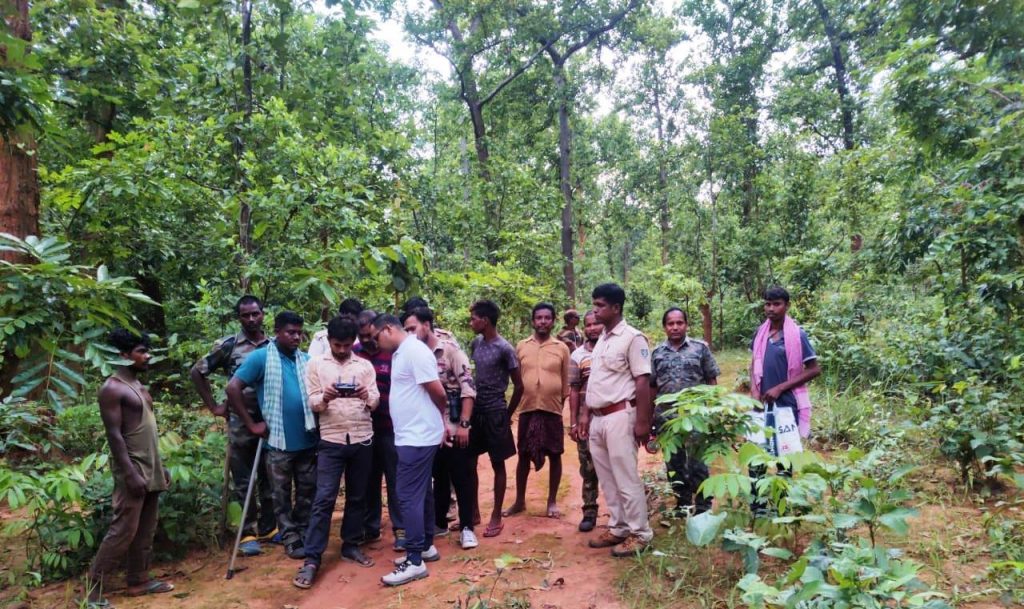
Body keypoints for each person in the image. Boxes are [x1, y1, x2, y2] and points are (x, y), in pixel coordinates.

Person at [87, 329, 173, 606]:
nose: (147, 356)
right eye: (141, 352)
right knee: (123, 529)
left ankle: (139, 580)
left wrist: (161, 467)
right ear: (124, 355)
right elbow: (114, 435)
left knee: (146, 528)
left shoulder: (140, 386)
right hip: (132, 469)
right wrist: (129, 473)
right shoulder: (112, 389)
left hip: (150, 466)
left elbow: (147, 433)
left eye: (147, 350)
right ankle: (92, 591)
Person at [294, 316, 380, 589]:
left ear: (353, 341)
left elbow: (375, 401)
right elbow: (312, 402)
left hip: (361, 437)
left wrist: (366, 394)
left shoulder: (364, 366)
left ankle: (351, 545)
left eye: (346, 345)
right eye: (336, 345)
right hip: (330, 440)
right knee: (324, 498)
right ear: (328, 340)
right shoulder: (316, 365)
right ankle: (311, 558)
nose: (342, 350)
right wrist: (327, 396)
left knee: (358, 495)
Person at [227, 311, 317, 560]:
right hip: (278, 441)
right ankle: (289, 536)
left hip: (307, 439)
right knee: (281, 494)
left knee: (307, 490)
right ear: (277, 332)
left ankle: (303, 531)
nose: (296, 337)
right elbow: (233, 388)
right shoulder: (261, 358)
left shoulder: (306, 360)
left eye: (299, 332)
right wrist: (252, 424)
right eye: (290, 332)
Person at [190, 295, 274, 556]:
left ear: (263, 314)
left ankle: (269, 527)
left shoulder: (273, 345)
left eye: (255, 314)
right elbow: (197, 371)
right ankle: (247, 532)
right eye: (245, 315)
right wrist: (214, 407)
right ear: (239, 318)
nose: (251, 319)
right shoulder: (229, 345)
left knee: (270, 474)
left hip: (270, 421)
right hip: (241, 422)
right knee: (243, 477)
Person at [577, 283, 654, 557]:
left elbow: (642, 380)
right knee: (607, 478)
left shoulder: (633, 338)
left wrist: (642, 422)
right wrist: (586, 413)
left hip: (621, 415)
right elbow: (595, 381)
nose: (595, 310)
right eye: (594, 305)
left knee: (626, 476)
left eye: (600, 305)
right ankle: (619, 526)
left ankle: (640, 533)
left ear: (616, 308)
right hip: (599, 417)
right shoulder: (603, 340)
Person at [371, 314, 448, 586]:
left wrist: (443, 419)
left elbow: (438, 392)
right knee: (421, 491)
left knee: (407, 495)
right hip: (412, 434)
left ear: (389, 329)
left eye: (376, 336)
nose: (375, 343)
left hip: (418, 436)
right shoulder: (401, 352)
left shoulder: (414, 352)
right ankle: (426, 545)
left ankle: (414, 560)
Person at [402, 307, 479, 550]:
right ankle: (439, 523)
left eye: (413, 329)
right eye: (406, 330)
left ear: (427, 325)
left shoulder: (450, 350)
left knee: (462, 476)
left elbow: (468, 389)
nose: (410, 334)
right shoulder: (412, 354)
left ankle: (467, 527)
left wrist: (465, 425)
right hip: (428, 427)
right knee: (438, 477)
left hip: (454, 424)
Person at [749, 286, 820, 513]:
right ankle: (758, 507)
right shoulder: (760, 333)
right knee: (757, 457)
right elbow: (754, 364)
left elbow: (814, 369)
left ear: (786, 306)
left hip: (787, 406)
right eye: (767, 304)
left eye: (776, 304)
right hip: (762, 406)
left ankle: (781, 507)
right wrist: (754, 392)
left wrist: (780, 387)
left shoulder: (797, 335)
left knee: (784, 459)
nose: (771, 309)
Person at [650, 308, 720, 516]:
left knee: (698, 462)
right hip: (668, 419)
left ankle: (703, 506)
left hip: (696, 417)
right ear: (665, 327)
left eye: (679, 323)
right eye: (670, 324)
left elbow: (711, 380)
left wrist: (712, 409)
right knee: (674, 463)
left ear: (686, 325)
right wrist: (651, 417)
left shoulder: (700, 348)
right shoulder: (657, 353)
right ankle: (682, 504)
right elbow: (652, 386)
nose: (675, 327)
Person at [504, 302, 570, 519]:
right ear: (533, 321)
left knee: (555, 454)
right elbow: (516, 377)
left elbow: (565, 381)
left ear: (553, 321)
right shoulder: (522, 346)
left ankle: (551, 501)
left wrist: (557, 401)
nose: (543, 321)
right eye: (539, 317)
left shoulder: (561, 348)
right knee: (523, 453)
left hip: (552, 409)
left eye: (547, 318)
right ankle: (519, 501)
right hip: (527, 408)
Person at [467, 299, 523, 538]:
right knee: (469, 462)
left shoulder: (504, 348)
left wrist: (507, 414)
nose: (471, 323)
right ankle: (474, 512)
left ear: (485, 320)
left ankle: (496, 515)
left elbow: (519, 386)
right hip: (476, 411)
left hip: (495, 411)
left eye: (473, 318)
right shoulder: (476, 343)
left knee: (497, 463)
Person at [354, 309, 404, 550]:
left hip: (391, 427)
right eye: (360, 336)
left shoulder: (392, 352)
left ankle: (401, 529)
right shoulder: (353, 354)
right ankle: (370, 527)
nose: (365, 340)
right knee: (368, 480)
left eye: (368, 335)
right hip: (364, 429)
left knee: (396, 480)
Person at [568, 310, 603, 532]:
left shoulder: (612, 349)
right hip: (585, 421)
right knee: (588, 467)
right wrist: (573, 422)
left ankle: (623, 514)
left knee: (614, 466)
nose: (592, 328)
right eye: (588, 325)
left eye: (596, 324)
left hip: (610, 415)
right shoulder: (577, 356)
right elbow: (573, 390)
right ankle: (589, 511)